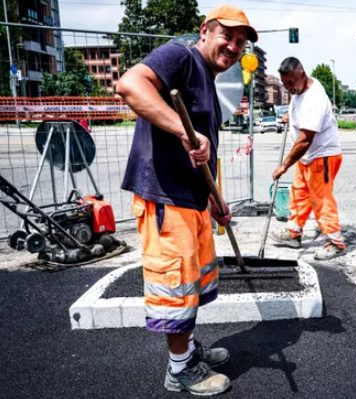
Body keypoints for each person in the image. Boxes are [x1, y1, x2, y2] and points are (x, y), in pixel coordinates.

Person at [117, 5, 257, 396]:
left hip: (192, 198)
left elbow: (203, 153)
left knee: (189, 284)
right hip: (166, 196)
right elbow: (129, 85)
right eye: (227, 36)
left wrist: (216, 199)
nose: (232, 46)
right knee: (174, 285)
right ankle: (179, 369)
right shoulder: (180, 56)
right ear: (205, 32)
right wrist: (184, 129)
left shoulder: (208, 82)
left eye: (240, 43)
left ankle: (189, 350)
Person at [271, 57, 345, 260]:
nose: (288, 88)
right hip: (307, 157)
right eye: (284, 83)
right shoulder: (303, 86)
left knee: (321, 199)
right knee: (300, 194)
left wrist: (284, 165)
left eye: (291, 83)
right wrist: (291, 116)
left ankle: (335, 242)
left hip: (322, 156)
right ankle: (294, 233)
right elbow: (298, 104)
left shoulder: (315, 99)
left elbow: (305, 140)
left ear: (302, 75)